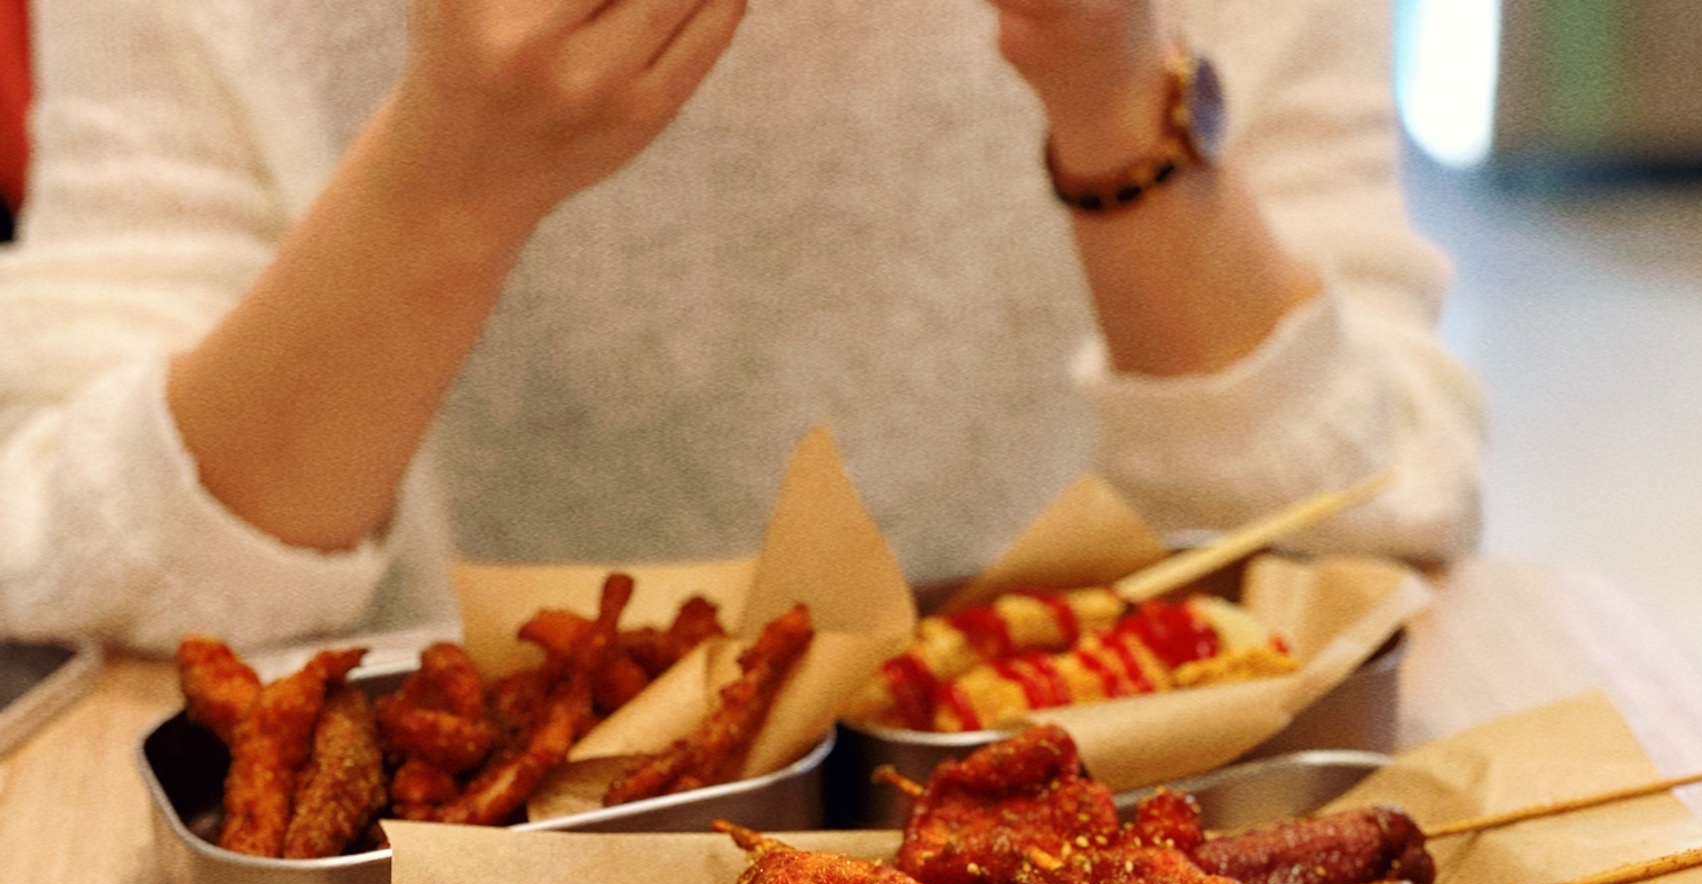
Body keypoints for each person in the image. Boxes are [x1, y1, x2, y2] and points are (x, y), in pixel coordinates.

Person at [0, 0, 1483, 654]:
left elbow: (1388, 513)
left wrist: (1115, 88)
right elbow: (64, 552)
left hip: (1107, 835)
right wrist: (445, 179)